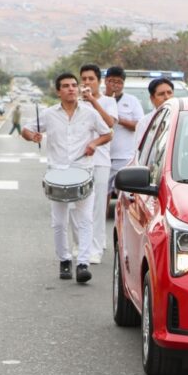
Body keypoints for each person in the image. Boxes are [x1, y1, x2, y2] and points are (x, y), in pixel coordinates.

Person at [21, 73, 112, 283]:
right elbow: (27, 129)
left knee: (85, 220)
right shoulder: (49, 114)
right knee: (59, 222)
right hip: (57, 174)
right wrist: (31, 136)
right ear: (58, 91)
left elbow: (108, 133)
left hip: (83, 171)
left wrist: (94, 144)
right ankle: (64, 260)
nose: (71, 89)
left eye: (73, 85)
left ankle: (83, 263)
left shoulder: (89, 113)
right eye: (66, 86)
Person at [78, 64, 118, 264]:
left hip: (101, 160)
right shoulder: (75, 103)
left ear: (99, 81)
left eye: (90, 79)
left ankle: (96, 248)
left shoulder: (109, 101)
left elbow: (110, 123)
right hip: (79, 161)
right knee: (76, 206)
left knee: (98, 206)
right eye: (83, 79)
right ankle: (81, 244)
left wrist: (93, 101)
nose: (86, 82)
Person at [104, 66, 144, 197]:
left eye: (119, 82)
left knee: (125, 197)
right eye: (112, 81)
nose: (115, 85)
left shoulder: (132, 101)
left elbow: (139, 124)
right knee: (102, 195)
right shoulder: (97, 100)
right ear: (105, 81)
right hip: (102, 156)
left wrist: (118, 119)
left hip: (124, 156)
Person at [135, 78, 174, 148]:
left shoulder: (181, 118)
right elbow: (139, 150)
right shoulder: (144, 122)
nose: (167, 97)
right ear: (152, 98)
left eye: (169, 93)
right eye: (161, 94)